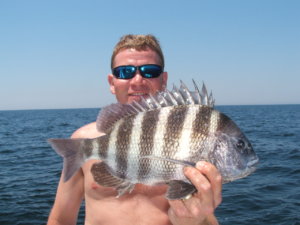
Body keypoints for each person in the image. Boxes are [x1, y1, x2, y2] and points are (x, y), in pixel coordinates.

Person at [47, 34, 222, 225]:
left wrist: (193, 220)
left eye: (150, 71)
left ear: (163, 80)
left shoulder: (190, 138)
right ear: (112, 83)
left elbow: (206, 219)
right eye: (125, 72)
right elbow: (60, 219)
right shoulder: (82, 140)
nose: (137, 80)